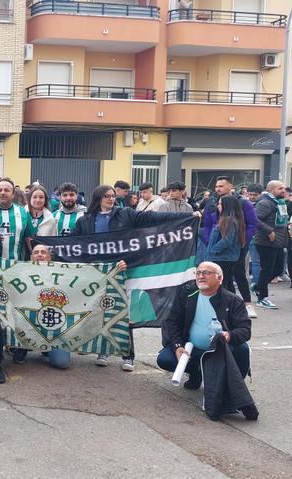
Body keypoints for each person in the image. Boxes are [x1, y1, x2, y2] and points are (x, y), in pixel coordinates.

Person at [74, 184, 196, 371]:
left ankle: (128, 355)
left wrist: (187, 216)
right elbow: (75, 244)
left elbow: (153, 217)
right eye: (106, 196)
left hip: (125, 269)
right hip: (98, 271)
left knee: (125, 311)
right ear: (97, 198)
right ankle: (103, 351)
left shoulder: (125, 214)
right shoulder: (86, 220)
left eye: (113, 196)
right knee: (101, 310)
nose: (111, 199)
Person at [156, 262, 256, 420]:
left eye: (206, 273)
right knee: (165, 359)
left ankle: (229, 388)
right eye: (198, 273)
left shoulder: (233, 300)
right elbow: (171, 322)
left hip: (219, 352)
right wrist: (177, 346)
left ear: (220, 278)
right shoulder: (186, 294)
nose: (201, 276)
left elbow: (244, 330)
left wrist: (228, 336)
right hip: (192, 349)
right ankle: (196, 374)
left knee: (242, 349)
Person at [201, 176, 258, 317]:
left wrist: (241, 240)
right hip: (218, 249)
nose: (217, 189)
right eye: (216, 186)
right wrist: (210, 243)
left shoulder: (243, 203)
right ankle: (230, 306)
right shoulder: (211, 203)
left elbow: (252, 224)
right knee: (223, 279)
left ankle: (247, 303)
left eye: (221, 186)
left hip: (236, 246)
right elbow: (207, 226)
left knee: (239, 274)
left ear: (230, 186)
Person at [252, 181, 288, 309]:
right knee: (266, 270)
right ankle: (262, 298)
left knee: (278, 270)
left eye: (284, 188)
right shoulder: (265, 203)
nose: (284, 190)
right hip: (265, 242)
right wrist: (269, 230)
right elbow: (254, 219)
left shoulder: (279, 202)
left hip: (278, 241)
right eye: (280, 188)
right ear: (272, 190)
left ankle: (258, 286)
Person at [0, 178, 34, 260]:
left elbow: (28, 238)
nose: (3, 192)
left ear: (13, 194)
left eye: (6, 190)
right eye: (0, 190)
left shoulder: (23, 213)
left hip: (15, 266)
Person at [206, 196, 245, 295]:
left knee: (222, 283)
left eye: (220, 204)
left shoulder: (228, 220)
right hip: (227, 256)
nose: (218, 206)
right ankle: (231, 304)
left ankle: (227, 304)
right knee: (227, 282)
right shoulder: (234, 219)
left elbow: (227, 240)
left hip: (223, 257)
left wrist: (213, 250)